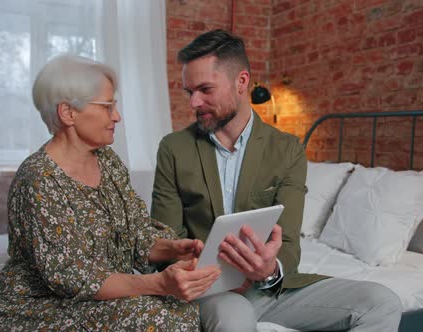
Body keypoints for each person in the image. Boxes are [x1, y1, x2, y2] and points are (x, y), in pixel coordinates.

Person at [151, 29, 403, 332]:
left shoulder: (287, 149)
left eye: (205, 89)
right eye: (188, 92)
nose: (194, 102)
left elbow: (288, 241)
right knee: (236, 319)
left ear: (241, 82)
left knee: (382, 301)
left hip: (271, 289)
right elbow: (165, 241)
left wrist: (270, 270)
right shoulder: (174, 148)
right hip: (212, 293)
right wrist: (203, 273)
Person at [0, 54, 220, 331]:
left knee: (180, 310)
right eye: (107, 106)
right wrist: (157, 284)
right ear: (68, 113)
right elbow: (73, 277)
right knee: (160, 318)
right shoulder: (38, 179)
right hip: (44, 301)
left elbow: (136, 234)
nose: (117, 116)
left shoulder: (108, 161)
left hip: (100, 292)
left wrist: (175, 248)